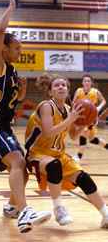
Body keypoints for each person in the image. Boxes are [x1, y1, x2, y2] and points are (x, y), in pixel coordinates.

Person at [0, 0, 51, 233]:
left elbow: (12, 103)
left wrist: (20, 94)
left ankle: (11, 207)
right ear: (4, 50)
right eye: (17, 48)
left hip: (4, 126)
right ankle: (24, 213)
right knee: (18, 162)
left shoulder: (11, 71)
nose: (20, 52)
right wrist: (11, 7)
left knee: (24, 171)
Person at [25, 74, 108, 228]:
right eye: (57, 85)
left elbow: (73, 135)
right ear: (50, 92)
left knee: (83, 177)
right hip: (37, 154)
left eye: (64, 85)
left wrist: (85, 123)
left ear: (68, 91)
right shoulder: (46, 106)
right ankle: (59, 209)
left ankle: (105, 214)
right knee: (54, 166)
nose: (61, 87)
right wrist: (71, 119)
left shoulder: (69, 109)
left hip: (57, 154)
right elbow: (48, 132)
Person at [72, 74, 107, 162]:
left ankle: (79, 156)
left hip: (92, 117)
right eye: (85, 81)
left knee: (83, 132)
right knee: (92, 139)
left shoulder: (95, 91)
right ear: (82, 82)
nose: (87, 82)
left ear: (91, 83)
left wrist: (98, 108)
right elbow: (73, 102)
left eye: (88, 81)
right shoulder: (79, 91)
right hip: (82, 116)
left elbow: (103, 101)